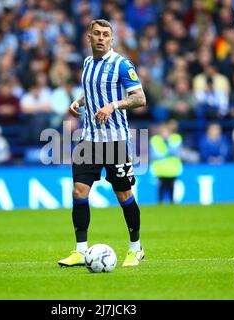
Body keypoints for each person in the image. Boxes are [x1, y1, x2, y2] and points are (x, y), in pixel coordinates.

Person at [58, 19, 146, 268]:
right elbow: (94, 91)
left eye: (105, 34)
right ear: (88, 36)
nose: (100, 38)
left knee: (124, 195)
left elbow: (139, 98)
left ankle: (135, 248)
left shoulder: (121, 64)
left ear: (111, 39)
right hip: (89, 140)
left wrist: (113, 105)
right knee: (78, 192)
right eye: (96, 33)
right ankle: (80, 250)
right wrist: (79, 102)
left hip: (116, 140)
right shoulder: (87, 63)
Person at [149, 120, 183, 204]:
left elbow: (176, 151)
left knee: (171, 188)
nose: (165, 133)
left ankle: (172, 203)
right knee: (160, 188)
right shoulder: (154, 140)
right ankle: (159, 204)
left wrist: (165, 148)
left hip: (173, 169)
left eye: (166, 131)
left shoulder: (176, 138)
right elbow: (154, 155)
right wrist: (167, 153)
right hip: (160, 170)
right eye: (163, 131)